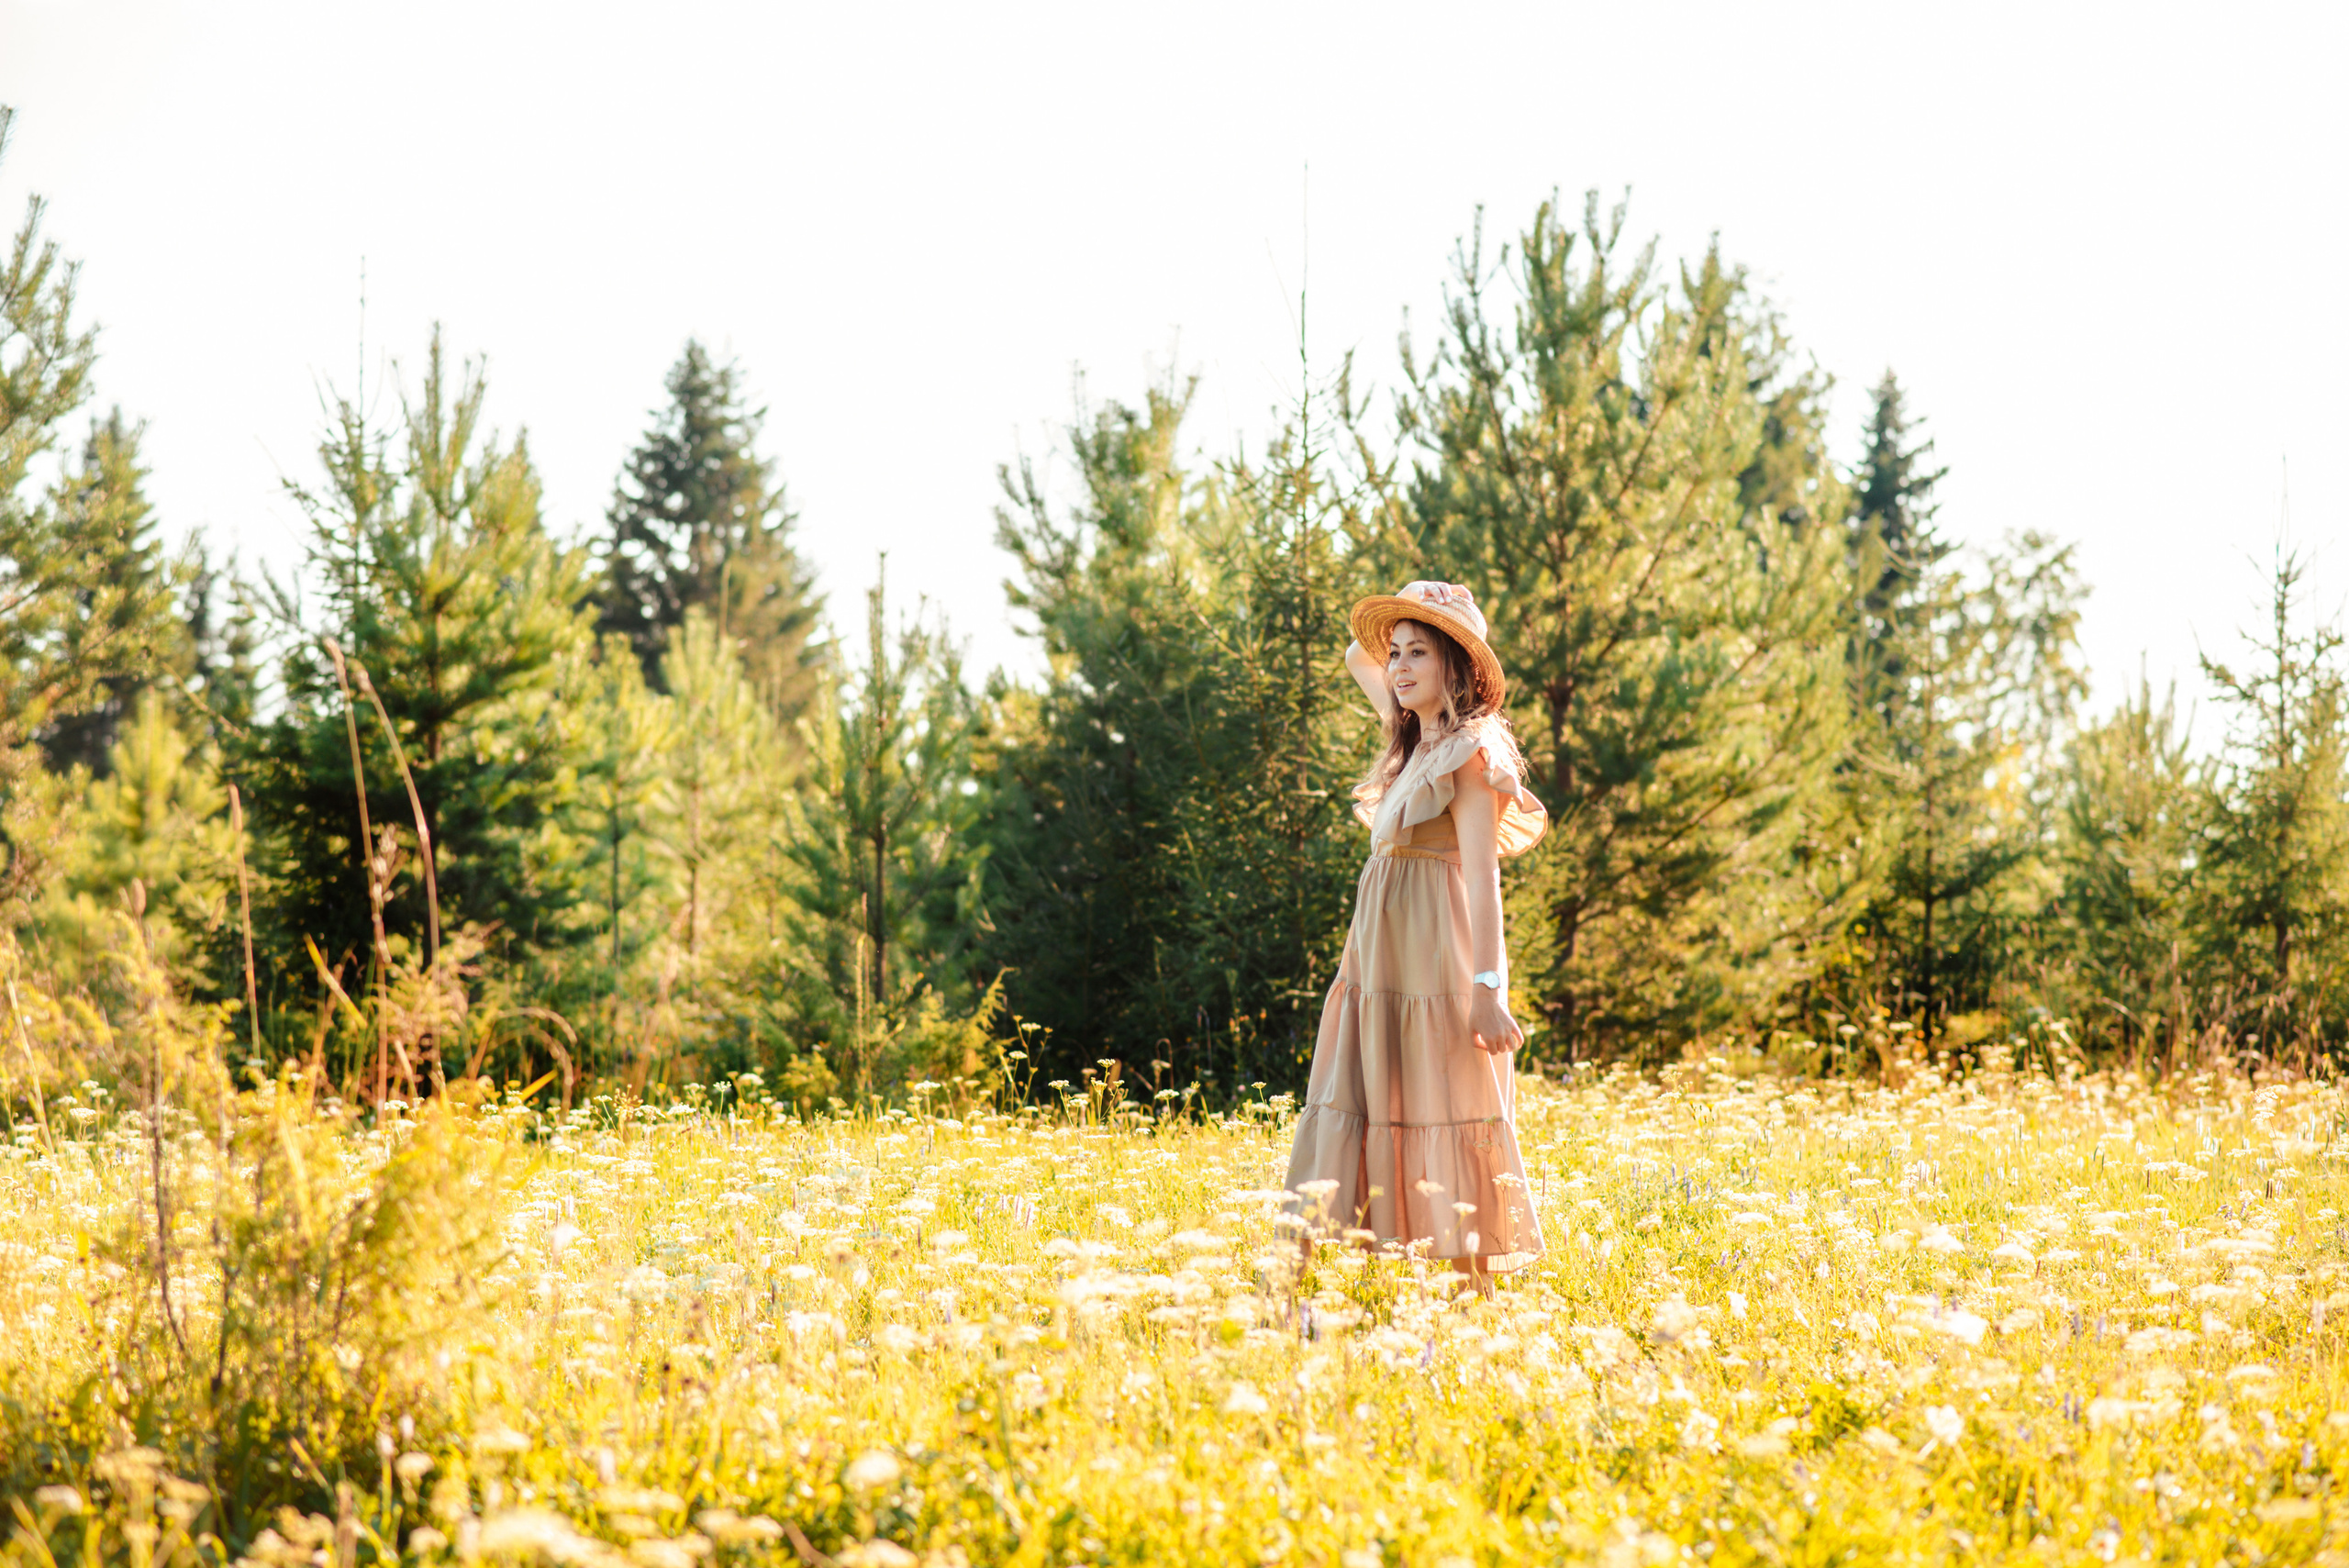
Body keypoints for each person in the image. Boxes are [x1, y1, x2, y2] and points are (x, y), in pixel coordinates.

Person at [1284, 580, 1548, 1288]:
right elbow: (1357, 654)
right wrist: (1410, 612)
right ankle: (1305, 1285)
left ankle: (1469, 1294)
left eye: (1418, 652)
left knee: (1444, 1105)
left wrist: (1487, 989)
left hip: (1437, 968)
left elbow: (1483, 878)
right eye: (1395, 652)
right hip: (1377, 968)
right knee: (1361, 1096)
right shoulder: (1412, 745)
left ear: (1455, 665)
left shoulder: (1469, 754)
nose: (1398, 666)